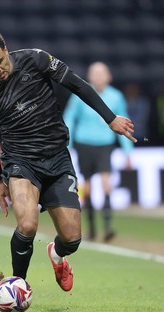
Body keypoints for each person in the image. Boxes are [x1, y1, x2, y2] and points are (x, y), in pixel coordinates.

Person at [0, 30, 136, 292]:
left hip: (57, 158)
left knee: (71, 238)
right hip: (20, 161)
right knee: (26, 224)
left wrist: (110, 118)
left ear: (6, 49)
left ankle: (57, 255)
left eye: (0, 61)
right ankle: (17, 285)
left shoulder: (35, 59)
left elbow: (78, 85)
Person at [64, 62, 134, 242]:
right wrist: (68, 144)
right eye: (95, 73)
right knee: (87, 185)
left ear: (109, 76)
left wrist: (128, 151)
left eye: (102, 73)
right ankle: (92, 229)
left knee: (106, 182)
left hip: (105, 144)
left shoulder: (116, 96)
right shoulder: (82, 94)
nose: (98, 77)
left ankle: (108, 227)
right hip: (84, 142)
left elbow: (123, 121)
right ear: (89, 76)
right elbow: (70, 118)